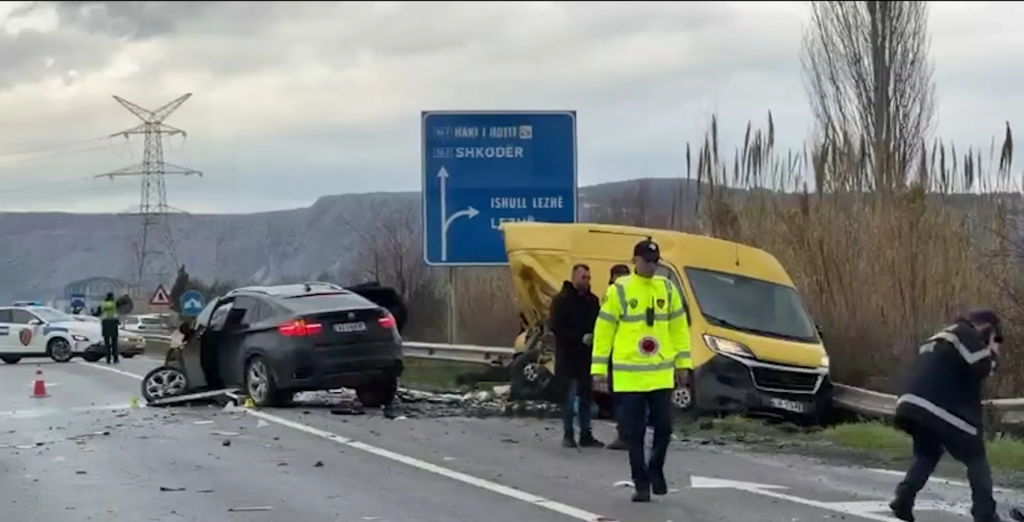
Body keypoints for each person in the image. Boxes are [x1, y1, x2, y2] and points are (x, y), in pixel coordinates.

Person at [592, 239, 692, 502]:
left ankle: (656, 468)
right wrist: (599, 370)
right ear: (634, 260)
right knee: (632, 434)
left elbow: (679, 330)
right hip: (629, 376)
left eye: (655, 262)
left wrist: (683, 365)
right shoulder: (620, 290)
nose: (651, 267)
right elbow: (604, 332)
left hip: (659, 374)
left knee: (664, 428)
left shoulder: (667, 290)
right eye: (646, 261)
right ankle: (641, 483)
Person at [889, 310, 1006, 522]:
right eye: (995, 336)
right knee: (976, 458)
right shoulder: (966, 334)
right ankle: (985, 513)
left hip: (912, 404)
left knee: (927, 454)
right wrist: (993, 350)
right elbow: (985, 367)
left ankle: (904, 497)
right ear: (986, 328)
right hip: (941, 407)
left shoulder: (940, 336)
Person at [549, 263, 603, 448]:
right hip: (568, 357)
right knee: (569, 398)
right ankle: (568, 433)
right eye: (583, 277)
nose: (586, 281)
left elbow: (600, 323)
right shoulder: (561, 300)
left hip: (586, 357)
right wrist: (579, 337)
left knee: (586, 397)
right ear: (574, 277)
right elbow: (556, 327)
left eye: (588, 278)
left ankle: (586, 434)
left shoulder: (592, 301)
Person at [604, 263, 633, 451]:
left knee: (626, 398)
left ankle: (626, 434)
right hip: (617, 354)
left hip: (627, 355)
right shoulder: (612, 295)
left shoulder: (623, 295)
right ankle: (625, 432)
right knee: (619, 397)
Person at [99, 292, 120, 364]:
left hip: (105, 323)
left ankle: (108, 358)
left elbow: (98, 312)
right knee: (115, 342)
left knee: (107, 343)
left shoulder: (103, 304)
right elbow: (120, 311)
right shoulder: (115, 304)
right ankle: (115, 358)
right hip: (114, 323)